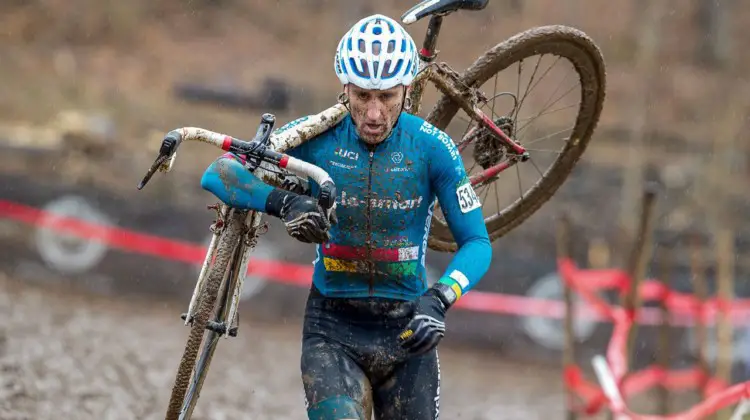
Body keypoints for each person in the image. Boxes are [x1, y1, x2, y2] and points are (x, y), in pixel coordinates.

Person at [199, 13, 492, 420]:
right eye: (362, 96)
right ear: (345, 88)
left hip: (408, 331)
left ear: (407, 89)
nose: (374, 113)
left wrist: (440, 299)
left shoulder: (432, 148)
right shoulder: (314, 137)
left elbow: (477, 243)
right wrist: (285, 203)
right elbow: (219, 171)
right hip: (333, 329)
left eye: (387, 96)